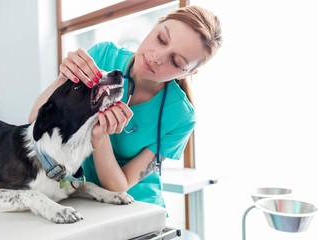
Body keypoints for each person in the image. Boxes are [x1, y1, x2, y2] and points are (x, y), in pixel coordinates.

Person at [28, 5, 222, 208]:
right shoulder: (102, 57)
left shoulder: (181, 117)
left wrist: (100, 138)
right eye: (161, 39)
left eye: (175, 61)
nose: (156, 57)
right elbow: (35, 121)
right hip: (83, 196)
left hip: (136, 205)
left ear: (187, 74)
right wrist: (63, 78)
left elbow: (118, 186)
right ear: (156, 25)